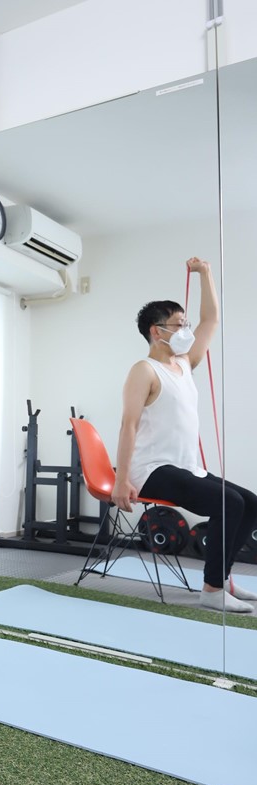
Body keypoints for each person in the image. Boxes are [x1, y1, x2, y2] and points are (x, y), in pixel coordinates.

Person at [111, 258, 257, 612]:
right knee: (230, 503)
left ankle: (222, 579)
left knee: (251, 503)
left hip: (185, 467)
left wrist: (205, 274)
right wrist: (120, 480)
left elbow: (211, 320)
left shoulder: (184, 364)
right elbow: (128, 425)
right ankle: (212, 589)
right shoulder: (144, 370)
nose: (186, 330)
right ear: (156, 331)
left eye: (185, 324)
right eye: (179, 324)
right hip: (151, 470)